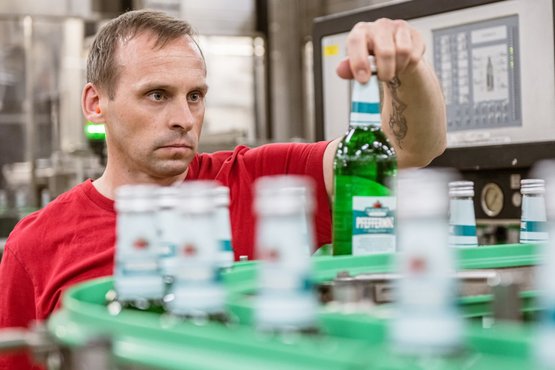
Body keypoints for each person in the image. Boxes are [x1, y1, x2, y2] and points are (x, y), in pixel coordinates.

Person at [0, 10, 446, 369]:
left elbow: (408, 149)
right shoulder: (35, 246)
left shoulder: (257, 181)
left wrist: (404, 67)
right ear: (96, 104)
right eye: (157, 94)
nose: (184, 117)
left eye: (195, 95)